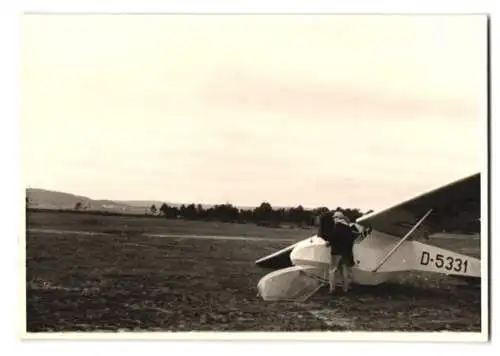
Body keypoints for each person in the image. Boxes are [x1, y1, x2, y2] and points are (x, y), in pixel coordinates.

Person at [317, 210, 356, 293]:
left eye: (334, 217)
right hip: (346, 253)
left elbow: (332, 238)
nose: (333, 219)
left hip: (336, 252)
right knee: (344, 270)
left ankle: (332, 289)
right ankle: (345, 288)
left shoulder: (337, 227)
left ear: (337, 218)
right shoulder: (348, 228)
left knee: (332, 270)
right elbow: (350, 240)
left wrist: (328, 242)